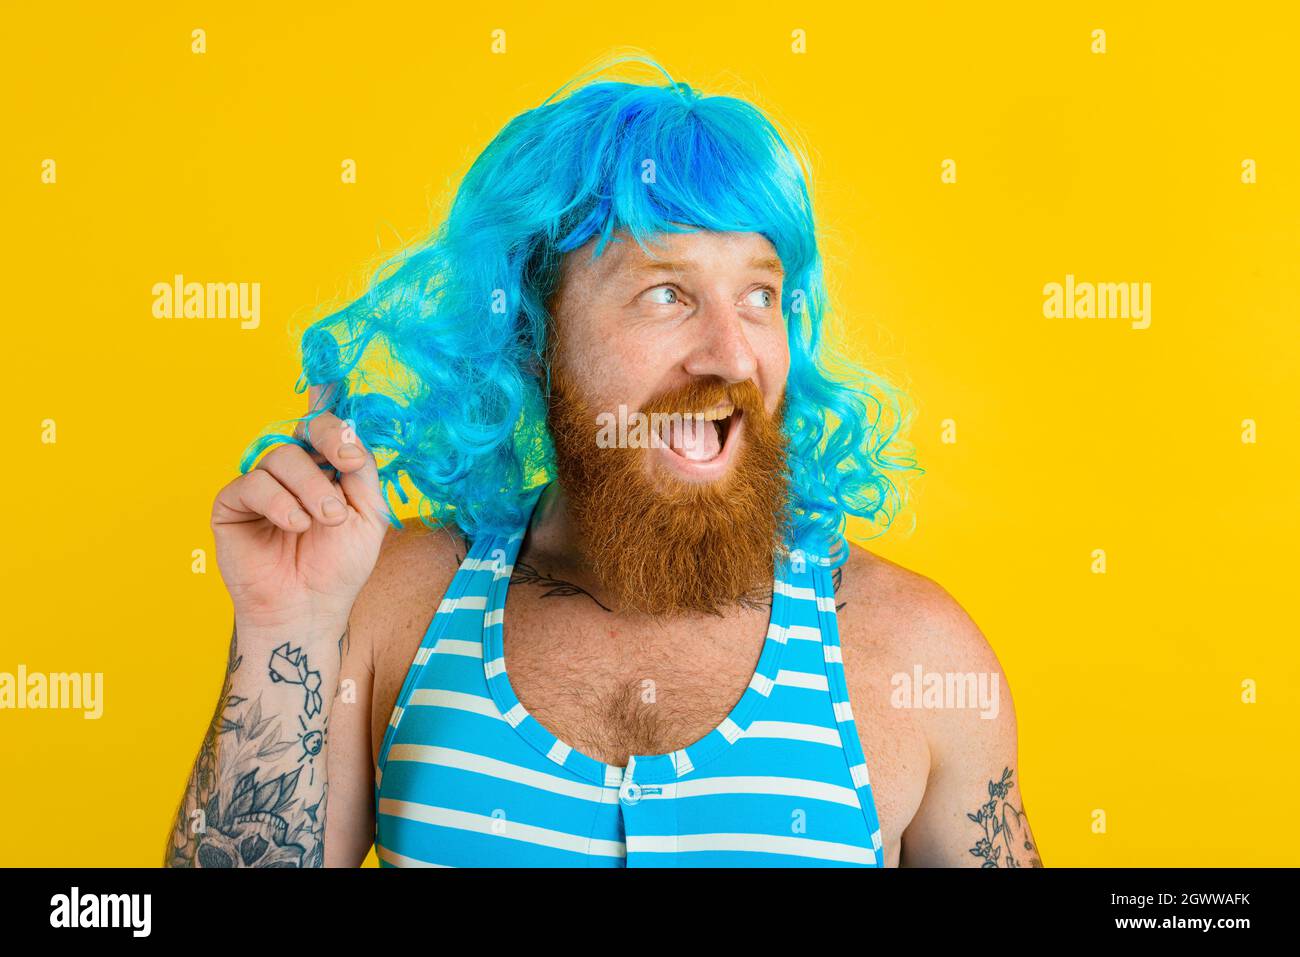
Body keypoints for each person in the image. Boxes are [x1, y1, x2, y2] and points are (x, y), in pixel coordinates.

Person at [165, 57, 1041, 868]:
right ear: (534, 336)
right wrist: (287, 632)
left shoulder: (915, 654)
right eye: (667, 293)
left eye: (759, 295)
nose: (731, 357)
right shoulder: (391, 607)